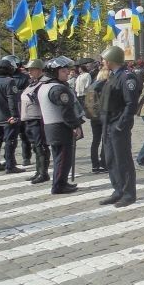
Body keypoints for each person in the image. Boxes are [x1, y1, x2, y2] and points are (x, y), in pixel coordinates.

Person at [36, 57, 85, 194]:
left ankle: (61, 182)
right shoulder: (57, 89)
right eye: (64, 71)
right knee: (63, 158)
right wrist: (75, 126)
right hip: (59, 127)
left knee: (60, 158)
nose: (67, 73)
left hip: (52, 127)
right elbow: (67, 110)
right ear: (55, 72)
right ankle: (58, 186)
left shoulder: (45, 86)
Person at [99, 46, 139, 207]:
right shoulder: (112, 76)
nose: (102, 62)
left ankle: (129, 193)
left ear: (110, 60)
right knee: (110, 159)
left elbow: (131, 104)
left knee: (123, 160)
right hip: (108, 123)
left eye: (104, 60)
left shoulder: (127, 77)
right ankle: (118, 190)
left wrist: (121, 124)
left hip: (118, 124)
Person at [20, 59, 48, 184]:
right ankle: (38, 171)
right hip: (29, 120)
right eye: (28, 70)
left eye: (32, 69)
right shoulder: (32, 83)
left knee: (40, 146)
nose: (29, 72)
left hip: (38, 119)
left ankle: (43, 173)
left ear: (39, 70)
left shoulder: (44, 83)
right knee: (35, 147)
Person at [0, 56, 24, 173]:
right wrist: (15, 115)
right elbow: (11, 99)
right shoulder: (9, 81)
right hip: (8, 118)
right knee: (10, 142)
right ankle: (10, 165)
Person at [85, 68, 109, 173]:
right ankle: (104, 163)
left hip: (93, 116)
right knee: (105, 140)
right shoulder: (104, 85)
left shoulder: (92, 85)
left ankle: (95, 165)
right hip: (102, 115)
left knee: (95, 141)